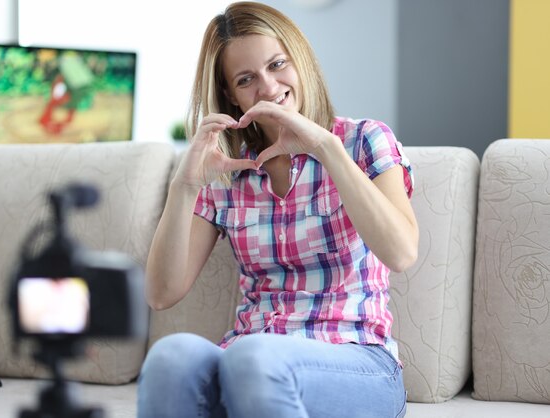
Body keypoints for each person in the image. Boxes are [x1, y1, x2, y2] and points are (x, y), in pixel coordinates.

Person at [138, 2, 418, 417]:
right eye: (246, 78)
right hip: (249, 356)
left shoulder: (363, 141)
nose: (268, 88)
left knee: (254, 359)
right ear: (231, 95)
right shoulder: (227, 170)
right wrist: (185, 185)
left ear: (299, 59)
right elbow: (161, 294)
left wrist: (325, 147)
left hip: (357, 361)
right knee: (171, 357)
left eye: (277, 64)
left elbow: (401, 252)